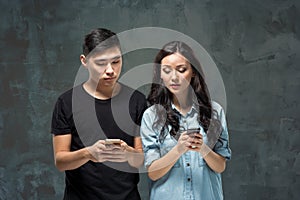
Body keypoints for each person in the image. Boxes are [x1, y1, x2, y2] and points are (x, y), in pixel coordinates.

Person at [51, 28, 147, 200]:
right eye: (101, 63)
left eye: (116, 62)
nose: (110, 70)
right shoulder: (66, 102)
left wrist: (128, 153)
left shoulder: (137, 100)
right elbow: (60, 161)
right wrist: (88, 153)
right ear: (85, 61)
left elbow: (141, 159)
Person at [140, 41, 231, 200]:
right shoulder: (151, 116)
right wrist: (179, 149)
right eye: (167, 71)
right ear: (160, 74)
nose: (174, 77)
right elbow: (153, 172)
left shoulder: (215, 112)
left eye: (181, 70)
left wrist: (203, 148)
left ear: (193, 72)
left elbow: (220, 166)